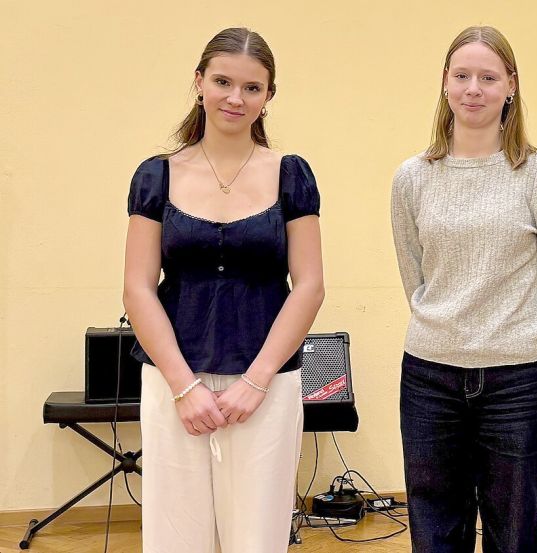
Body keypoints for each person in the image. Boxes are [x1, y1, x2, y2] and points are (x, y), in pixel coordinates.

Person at [122, 27, 323, 553]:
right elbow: (137, 289)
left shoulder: (291, 175)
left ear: (268, 96)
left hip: (267, 383)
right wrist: (184, 387)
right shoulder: (156, 176)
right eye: (223, 81)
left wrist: (256, 383)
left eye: (252, 88)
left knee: (258, 533)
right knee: (175, 534)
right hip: (172, 383)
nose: (236, 98)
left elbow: (310, 285)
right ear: (199, 83)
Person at [390, 25, 537, 553]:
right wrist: (448, 330)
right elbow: (416, 276)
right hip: (429, 378)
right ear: (445, 85)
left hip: (517, 383)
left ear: (511, 86)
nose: (474, 88)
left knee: (515, 534)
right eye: (463, 76)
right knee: (434, 532)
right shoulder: (412, 177)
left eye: (488, 77)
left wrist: (525, 344)